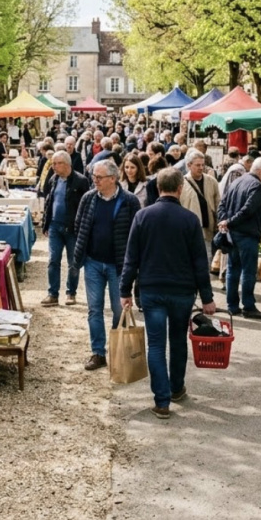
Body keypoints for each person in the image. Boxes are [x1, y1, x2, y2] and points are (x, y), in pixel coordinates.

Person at [120, 168, 216, 419]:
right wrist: (207, 298)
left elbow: (131, 258)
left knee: (156, 344)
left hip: (152, 289)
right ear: (180, 188)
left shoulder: (142, 216)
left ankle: (161, 400)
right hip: (182, 291)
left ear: (158, 187)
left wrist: (125, 290)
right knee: (177, 341)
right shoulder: (189, 220)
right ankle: (176, 388)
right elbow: (199, 262)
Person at [73, 160, 141, 371]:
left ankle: (117, 351)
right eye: (94, 176)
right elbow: (79, 224)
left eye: (99, 177)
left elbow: (136, 234)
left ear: (113, 178)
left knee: (118, 310)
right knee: (94, 310)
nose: (95, 180)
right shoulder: (89, 198)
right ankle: (98, 353)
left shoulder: (130, 201)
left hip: (118, 266)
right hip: (93, 262)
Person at [218, 157, 261, 319]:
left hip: (233, 233)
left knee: (233, 269)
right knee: (248, 272)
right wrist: (228, 222)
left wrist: (225, 221)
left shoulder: (237, 181)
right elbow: (248, 210)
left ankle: (232, 305)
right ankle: (248, 306)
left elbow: (222, 203)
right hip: (246, 234)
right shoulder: (257, 187)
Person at [41, 151, 89, 306]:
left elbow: (86, 206)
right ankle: (52, 294)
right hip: (55, 226)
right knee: (53, 260)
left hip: (72, 228)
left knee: (73, 262)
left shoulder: (81, 181)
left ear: (67, 164)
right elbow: (49, 202)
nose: (53, 166)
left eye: (57, 163)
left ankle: (71, 293)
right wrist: (46, 223)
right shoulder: (53, 179)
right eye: (53, 163)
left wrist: (82, 227)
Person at [180, 150, 221, 260]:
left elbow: (218, 203)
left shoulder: (211, 181)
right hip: (188, 230)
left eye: (203, 165)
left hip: (208, 230)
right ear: (189, 165)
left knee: (206, 259)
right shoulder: (181, 183)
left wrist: (219, 222)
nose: (201, 168)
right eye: (198, 165)